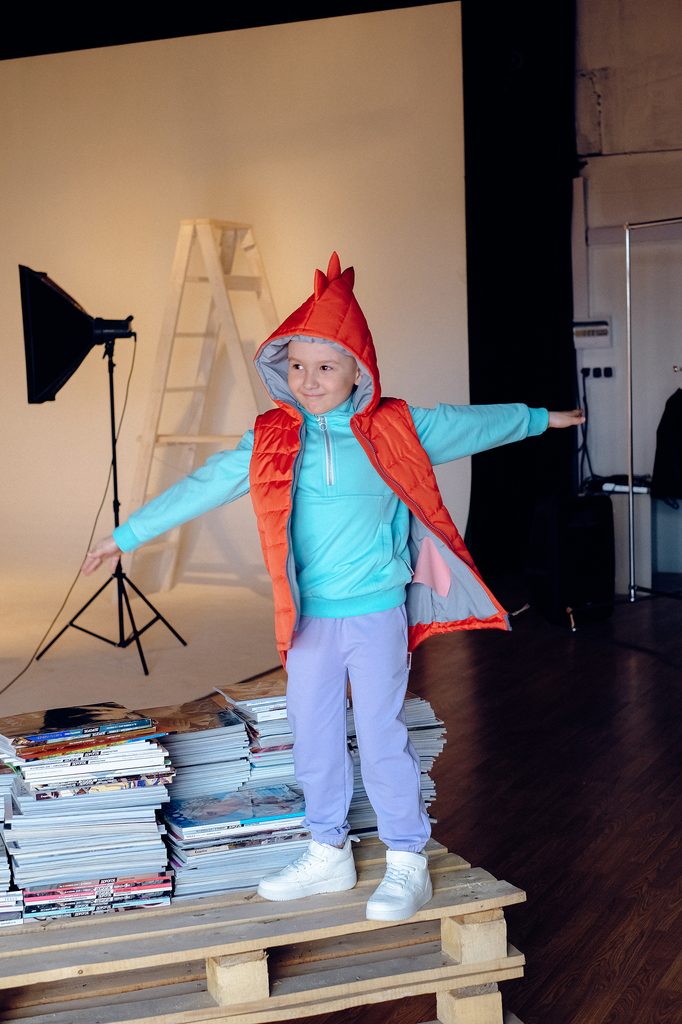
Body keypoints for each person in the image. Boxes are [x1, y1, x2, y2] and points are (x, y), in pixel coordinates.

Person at [83, 252, 583, 922]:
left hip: (376, 613)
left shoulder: (395, 427)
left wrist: (540, 418)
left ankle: (407, 858)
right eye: (297, 366)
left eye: (325, 367)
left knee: (380, 735)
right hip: (309, 620)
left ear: (358, 370)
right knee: (313, 738)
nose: (309, 380)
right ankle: (327, 850)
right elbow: (204, 484)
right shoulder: (271, 439)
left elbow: (471, 423)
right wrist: (126, 535)